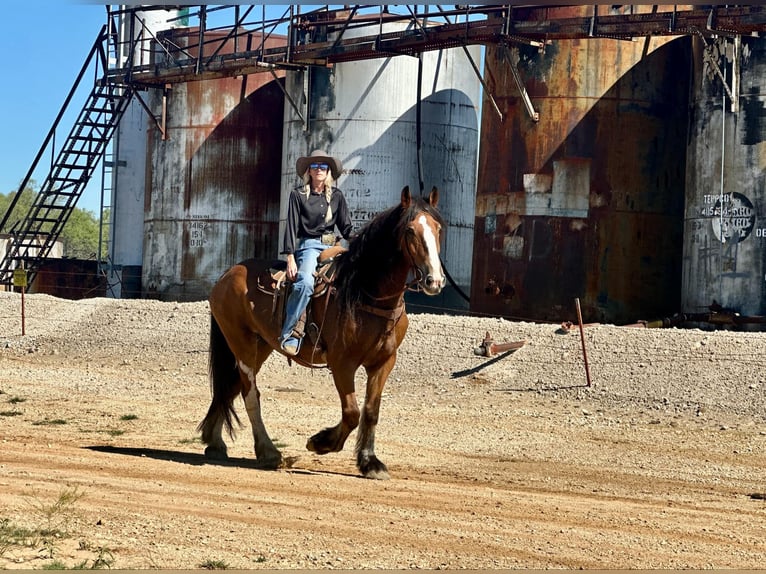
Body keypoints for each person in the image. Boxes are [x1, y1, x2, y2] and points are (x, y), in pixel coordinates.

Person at [280, 149, 353, 356]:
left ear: (328, 171)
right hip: (309, 246)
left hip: (333, 247)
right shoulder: (298, 195)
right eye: (315, 167)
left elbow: (346, 228)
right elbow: (291, 227)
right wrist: (290, 257)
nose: (319, 170)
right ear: (309, 172)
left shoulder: (337, 196)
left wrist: (361, 240)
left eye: (323, 167)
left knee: (353, 279)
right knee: (304, 282)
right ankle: (290, 333)